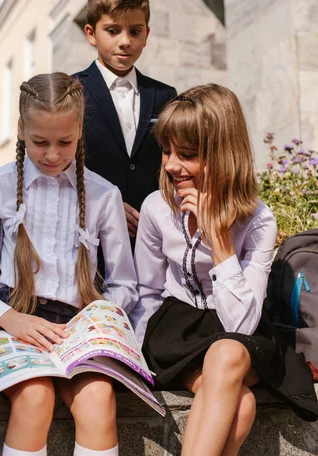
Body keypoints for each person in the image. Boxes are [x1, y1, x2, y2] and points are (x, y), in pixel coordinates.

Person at [0, 73, 138, 456]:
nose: (53, 155)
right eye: (40, 142)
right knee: (35, 395)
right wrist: (6, 317)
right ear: (21, 130)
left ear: (80, 133)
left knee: (98, 398)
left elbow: (126, 283)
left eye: (65, 142)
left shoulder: (105, 196)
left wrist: (96, 320)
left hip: (77, 329)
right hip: (10, 319)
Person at [130, 84, 318, 456]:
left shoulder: (259, 219)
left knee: (228, 352)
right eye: (167, 151)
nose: (170, 165)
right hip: (176, 327)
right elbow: (146, 293)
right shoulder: (156, 207)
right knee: (243, 404)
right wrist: (134, 359)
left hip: (238, 327)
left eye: (186, 155)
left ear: (222, 155)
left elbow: (239, 325)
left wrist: (218, 238)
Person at [73, 0, 176, 241]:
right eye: (112, 30)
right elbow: (59, 167)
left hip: (152, 240)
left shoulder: (165, 95)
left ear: (147, 34)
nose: (125, 41)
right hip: (89, 239)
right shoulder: (71, 93)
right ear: (91, 33)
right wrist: (103, 205)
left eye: (135, 31)